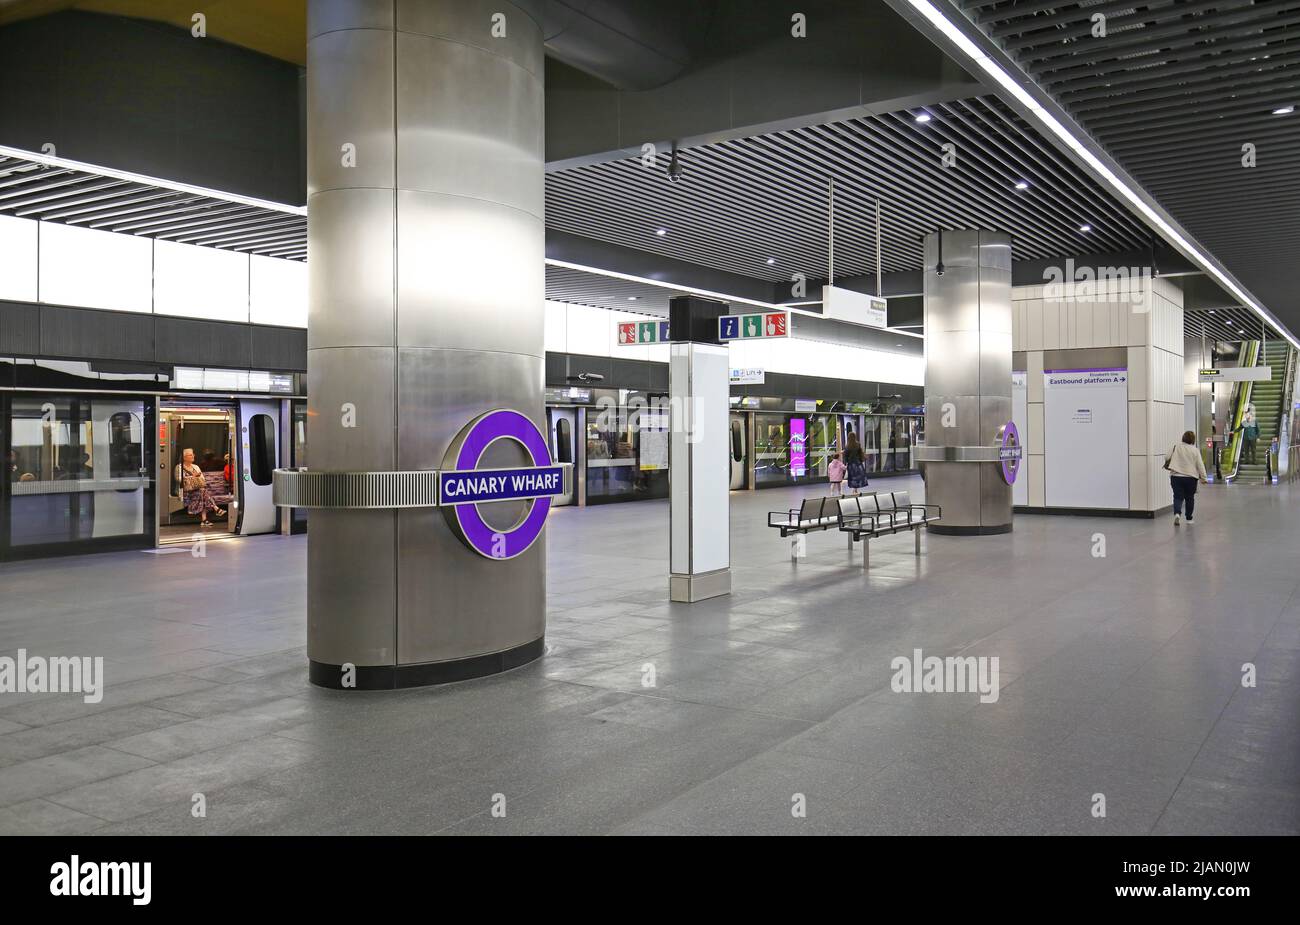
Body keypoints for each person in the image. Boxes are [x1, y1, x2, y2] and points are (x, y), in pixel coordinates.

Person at [1165, 430, 1208, 526]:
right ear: (1193, 440)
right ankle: (1189, 518)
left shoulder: (1176, 447)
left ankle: (1177, 513)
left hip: (1176, 476)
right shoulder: (1195, 450)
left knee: (1177, 496)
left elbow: (1166, 457)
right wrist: (1204, 478)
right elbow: (1200, 465)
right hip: (1190, 478)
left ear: (1183, 438)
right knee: (1189, 498)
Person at [176, 448, 226, 527]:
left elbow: (202, 479)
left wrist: (195, 478)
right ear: (184, 457)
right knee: (203, 492)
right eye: (191, 455)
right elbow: (179, 479)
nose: (193, 456)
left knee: (202, 492)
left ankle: (204, 520)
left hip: (198, 491)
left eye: (193, 454)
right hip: (186, 492)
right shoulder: (179, 467)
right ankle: (215, 509)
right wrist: (193, 477)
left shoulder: (196, 467)